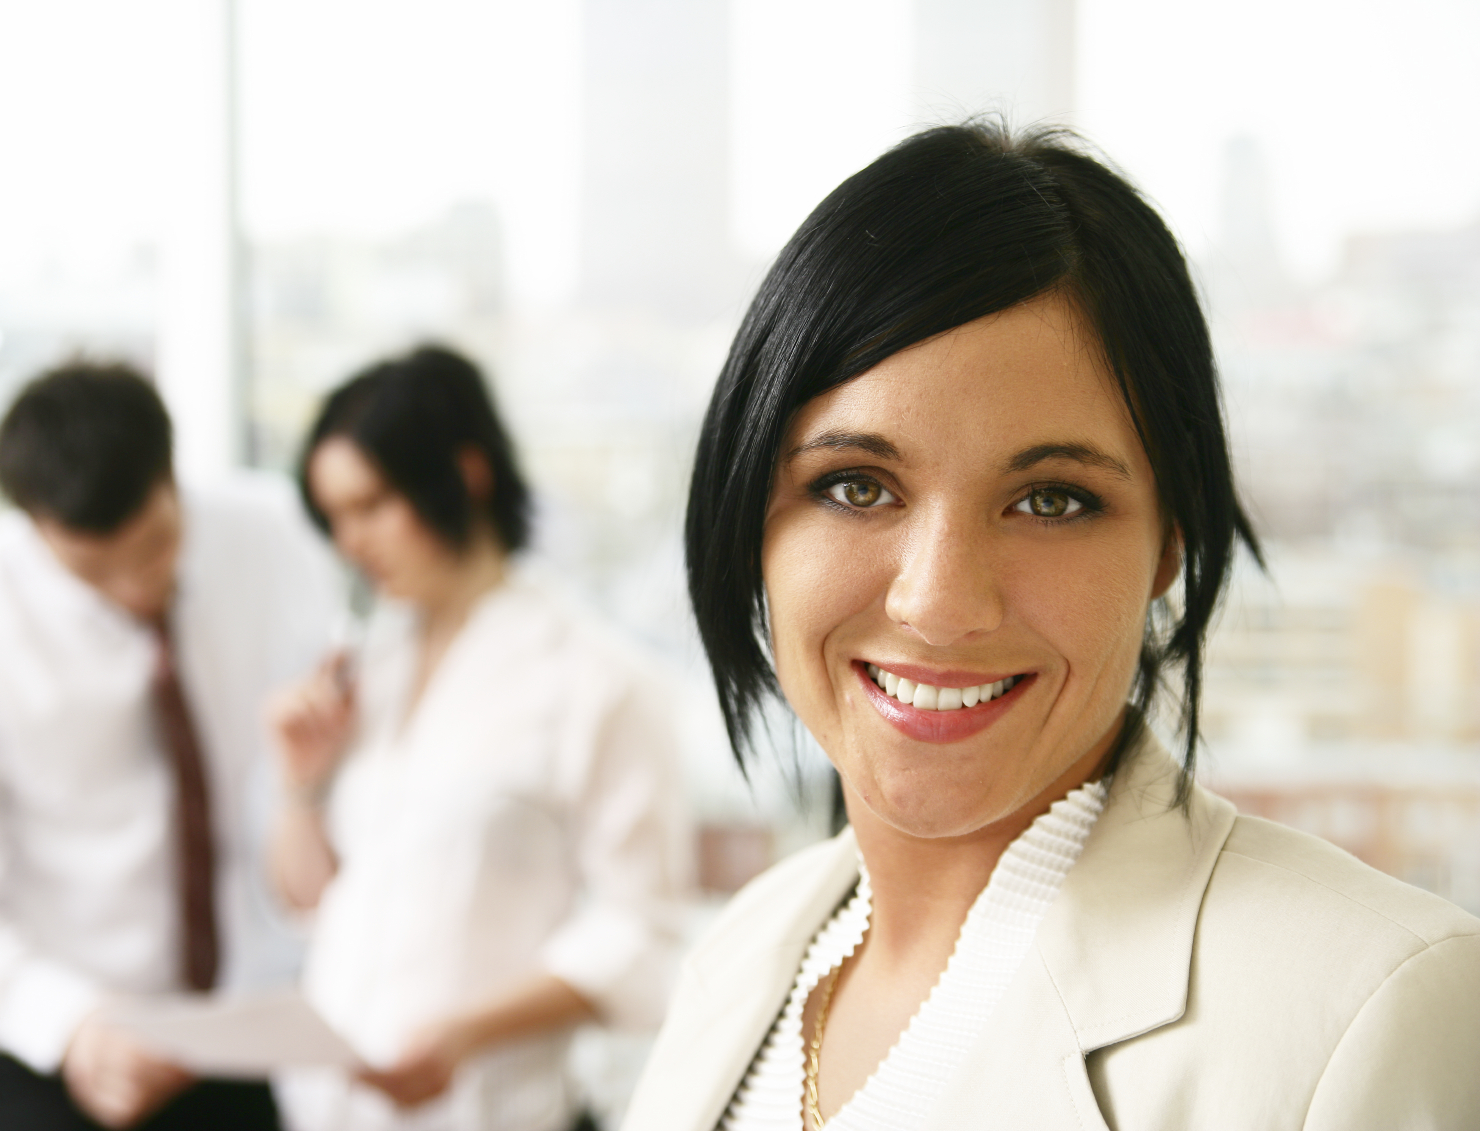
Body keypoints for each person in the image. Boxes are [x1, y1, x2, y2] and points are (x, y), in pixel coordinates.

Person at [620, 121, 1480, 1130]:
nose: (939, 604)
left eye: (1052, 501)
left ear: (1169, 541)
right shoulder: (745, 953)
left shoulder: (1373, 1009)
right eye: (857, 486)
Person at [0, 360, 343, 1130]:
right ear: (33, 521)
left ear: (171, 476)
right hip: (59, 1043)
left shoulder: (279, 538)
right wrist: (70, 1022)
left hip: (257, 1033)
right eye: (92, 569)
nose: (133, 589)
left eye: (153, 549)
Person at [266, 345, 693, 1131]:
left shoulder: (596, 677)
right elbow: (313, 902)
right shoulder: (370, 667)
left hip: (492, 1110)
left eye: (371, 506)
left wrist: (464, 1034)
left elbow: (641, 932)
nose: (350, 545)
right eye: (334, 518)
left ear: (465, 475)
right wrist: (299, 786)